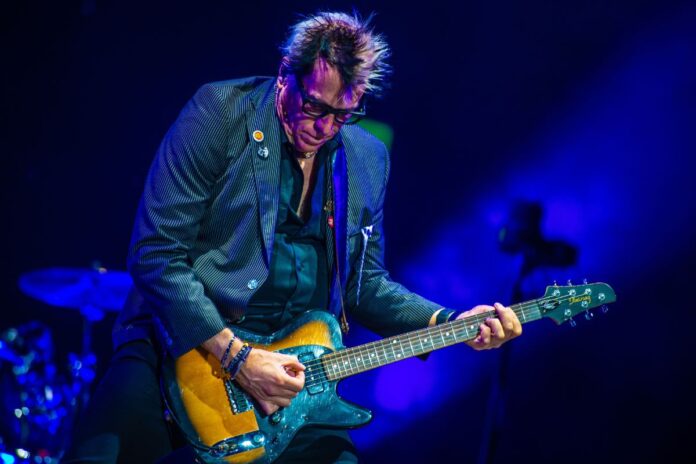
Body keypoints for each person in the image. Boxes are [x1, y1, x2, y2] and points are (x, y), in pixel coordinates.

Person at [64, 11, 522, 464]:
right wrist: (238, 358)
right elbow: (156, 253)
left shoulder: (367, 158)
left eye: (343, 115)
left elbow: (365, 286)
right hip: (182, 348)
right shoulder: (220, 112)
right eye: (315, 108)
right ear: (286, 73)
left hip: (296, 376)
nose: (324, 128)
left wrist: (451, 323)